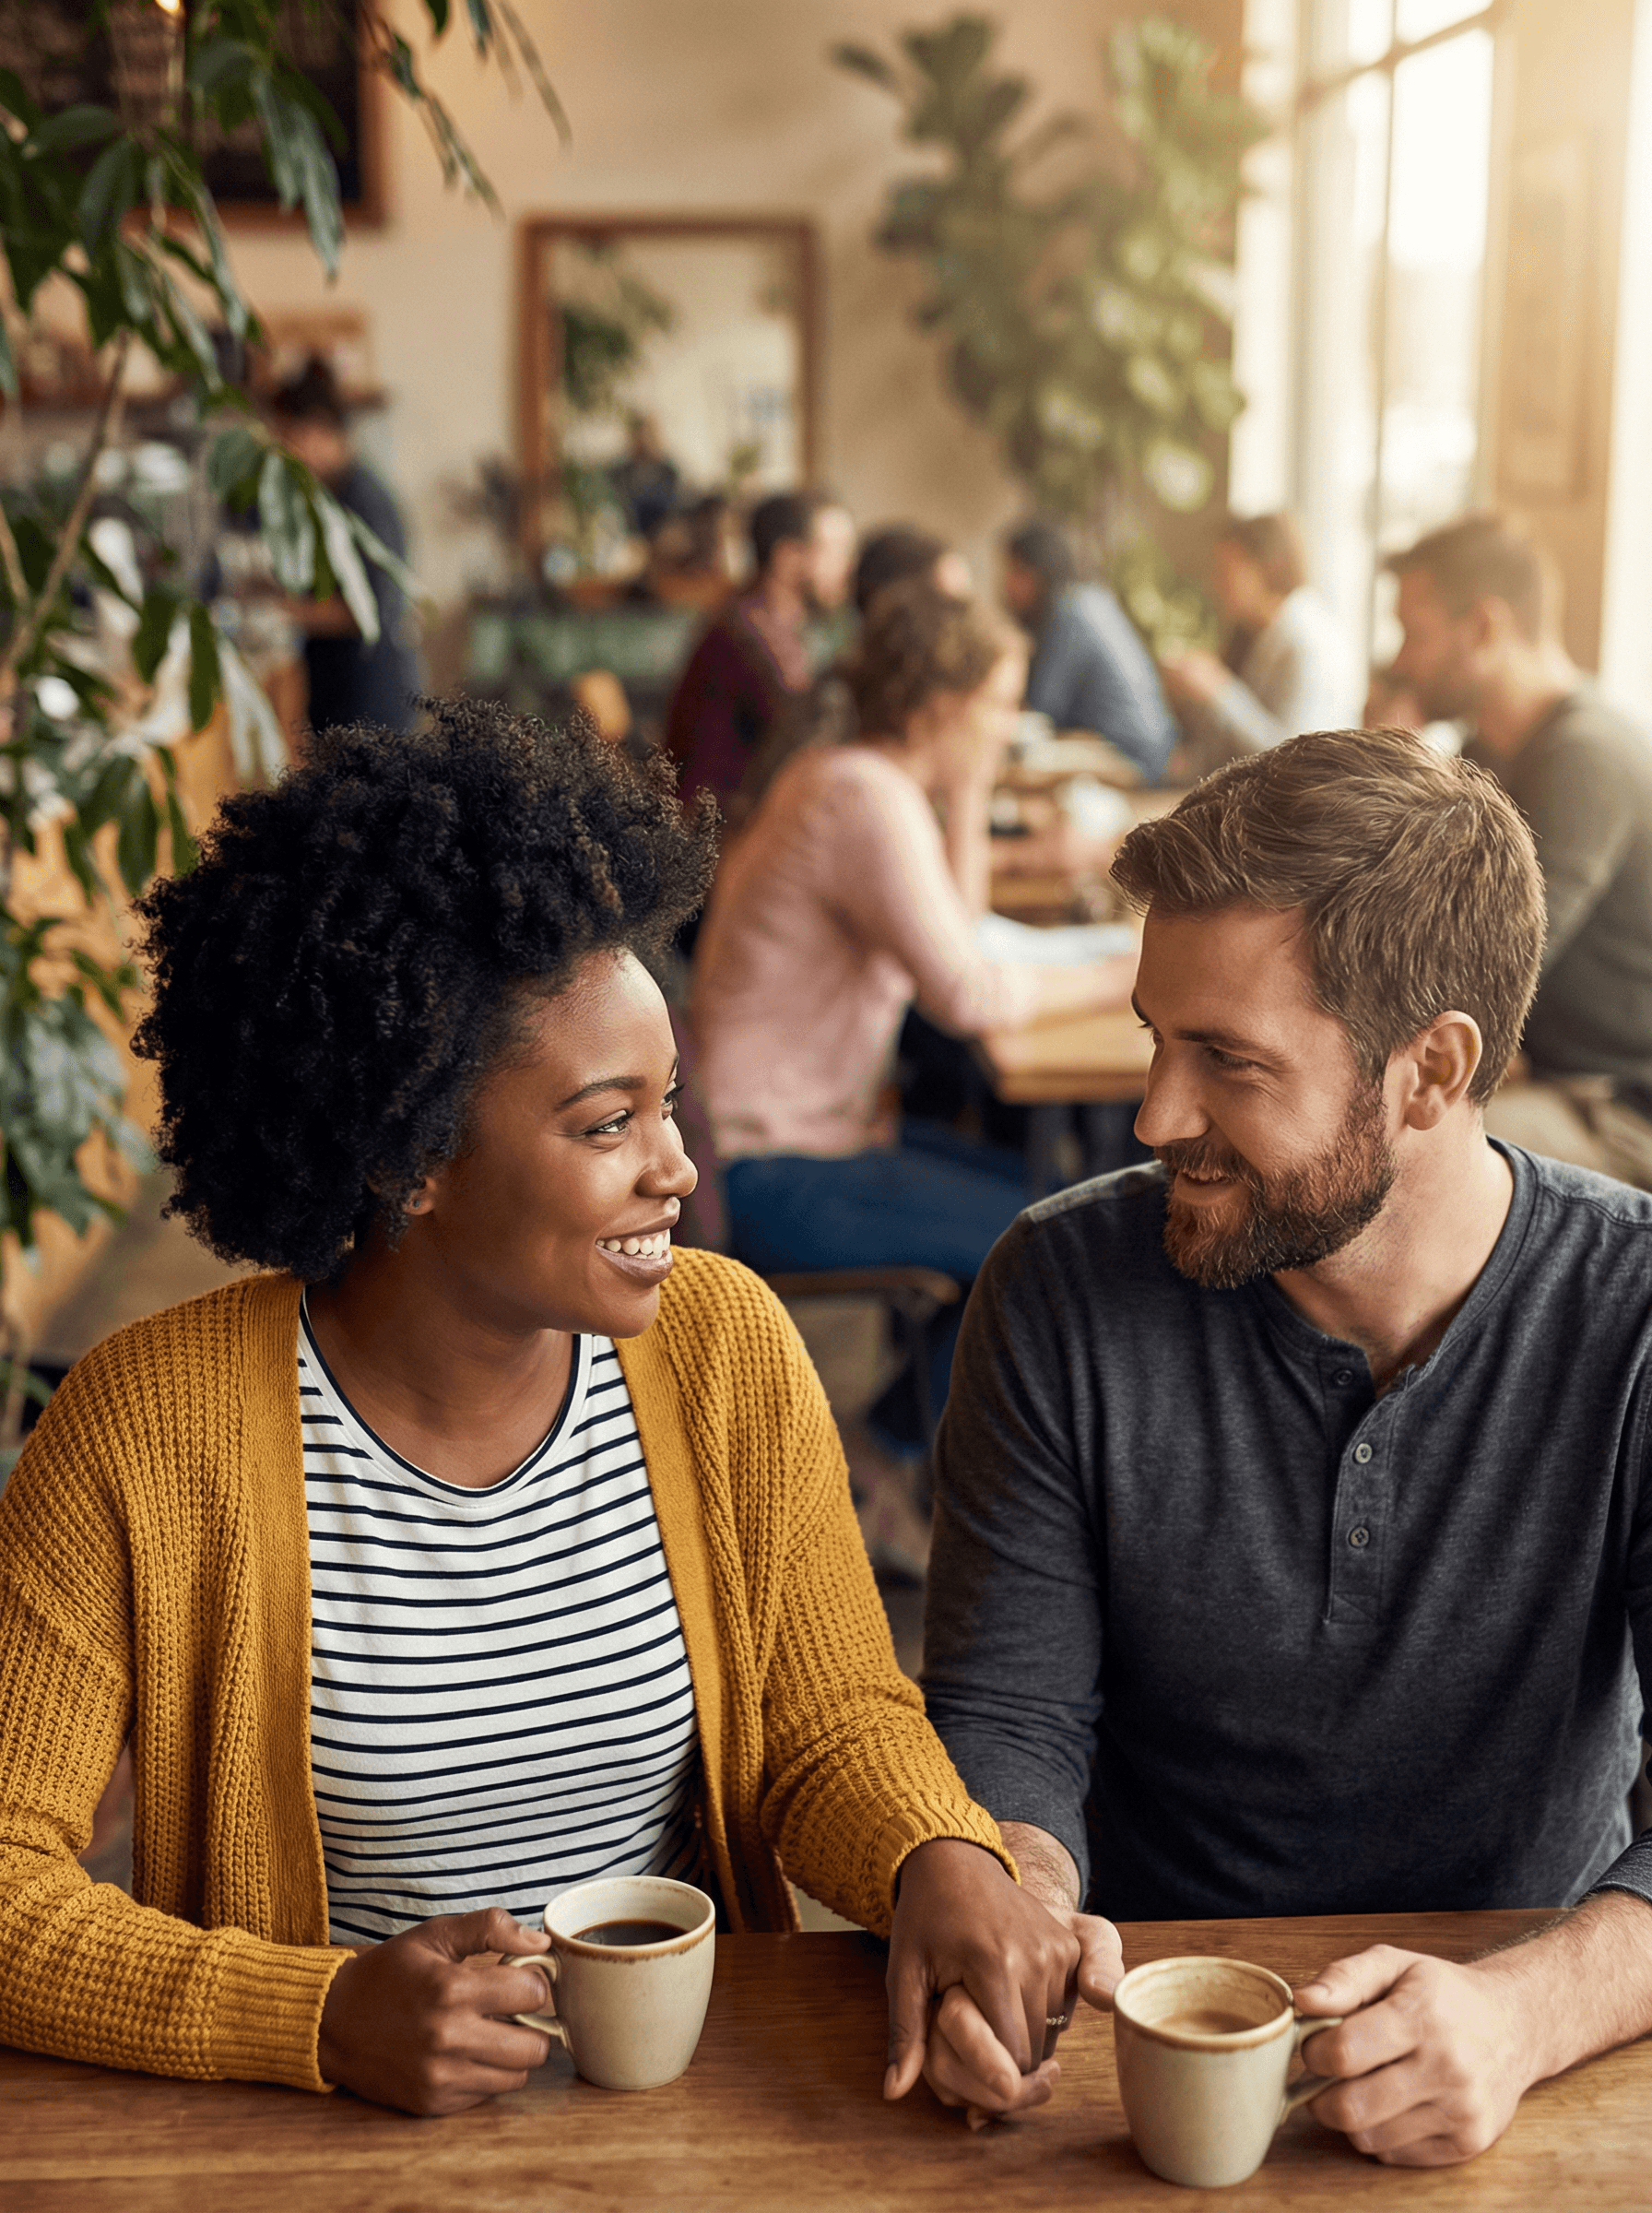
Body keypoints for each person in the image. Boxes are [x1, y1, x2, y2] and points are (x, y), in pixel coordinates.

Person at [0, 700, 1089, 2121]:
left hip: (688, 2111)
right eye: (606, 1124)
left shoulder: (727, 1352)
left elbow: (829, 1719)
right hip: (323, 2138)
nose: (679, 1169)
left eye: (672, 1104)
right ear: (413, 1160)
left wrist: (935, 1855)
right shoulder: (148, 1428)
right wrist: (319, 2015)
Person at [922, 727, 1652, 2158]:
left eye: (1227, 1061)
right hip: (1147, 2050)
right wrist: (1016, 1895)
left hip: (1529, 2060)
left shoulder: (1631, 1316)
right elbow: (1012, 1716)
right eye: (1154, 1036)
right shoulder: (1058, 1285)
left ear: (1428, 1072)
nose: (1151, 1115)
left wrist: (1527, 2013)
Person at [692, 583, 1134, 1402]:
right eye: (997, 703)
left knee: (1048, 1205)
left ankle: (902, 1438)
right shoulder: (864, 796)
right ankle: (898, 1451)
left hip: (771, 1143)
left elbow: (958, 931)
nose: (1010, 723)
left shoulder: (848, 775)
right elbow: (967, 992)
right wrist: (1127, 975)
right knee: (1051, 1238)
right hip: (767, 1164)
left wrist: (968, 788)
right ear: (939, 704)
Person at [1388, 513, 1652, 1186]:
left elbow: (1489, 964)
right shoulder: (1486, 754)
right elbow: (1399, 915)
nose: (1399, 662)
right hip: (1541, 1076)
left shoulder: (1587, 757)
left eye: (1413, 634)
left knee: (1392, 1146)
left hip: (1614, 1104)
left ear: (1483, 627)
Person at [664, 490, 856, 825]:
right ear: (787, 557)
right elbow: (811, 736)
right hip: (710, 840)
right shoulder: (751, 635)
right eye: (835, 551)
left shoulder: (762, 620)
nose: (847, 567)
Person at [269, 356, 421, 737]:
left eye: (290, 437)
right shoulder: (328, 496)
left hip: (370, 701)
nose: (287, 453)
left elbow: (372, 609)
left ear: (320, 430)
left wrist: (287, 612)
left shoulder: (365, 501)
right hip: (337, 697)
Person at [1160, 511, 1360, 770]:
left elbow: (1289, 757)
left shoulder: (1306, 640)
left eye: (1226, 570)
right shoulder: (1259, 634)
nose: (1216, 583)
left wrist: (1218, 691)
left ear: (1265, 566)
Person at [1001, 520, 1176, 783]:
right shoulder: (1089, 600)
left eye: (1014, 572)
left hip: (1132, 757)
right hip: (1147, 748)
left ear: (1038, 573)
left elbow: (1043, 709)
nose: (1005, 585)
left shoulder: (1071, 614)